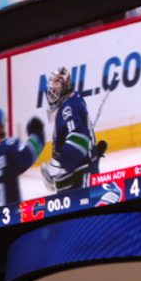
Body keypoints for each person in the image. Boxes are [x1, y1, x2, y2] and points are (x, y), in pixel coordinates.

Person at [41, 66, 111, 195]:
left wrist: (59, 164)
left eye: (56, 86)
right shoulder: (73, 100)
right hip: (80, 174)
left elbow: (79, 140)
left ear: (65, 87)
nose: (51, 91)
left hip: (79, 179)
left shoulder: (69, 106)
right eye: (51, 86)